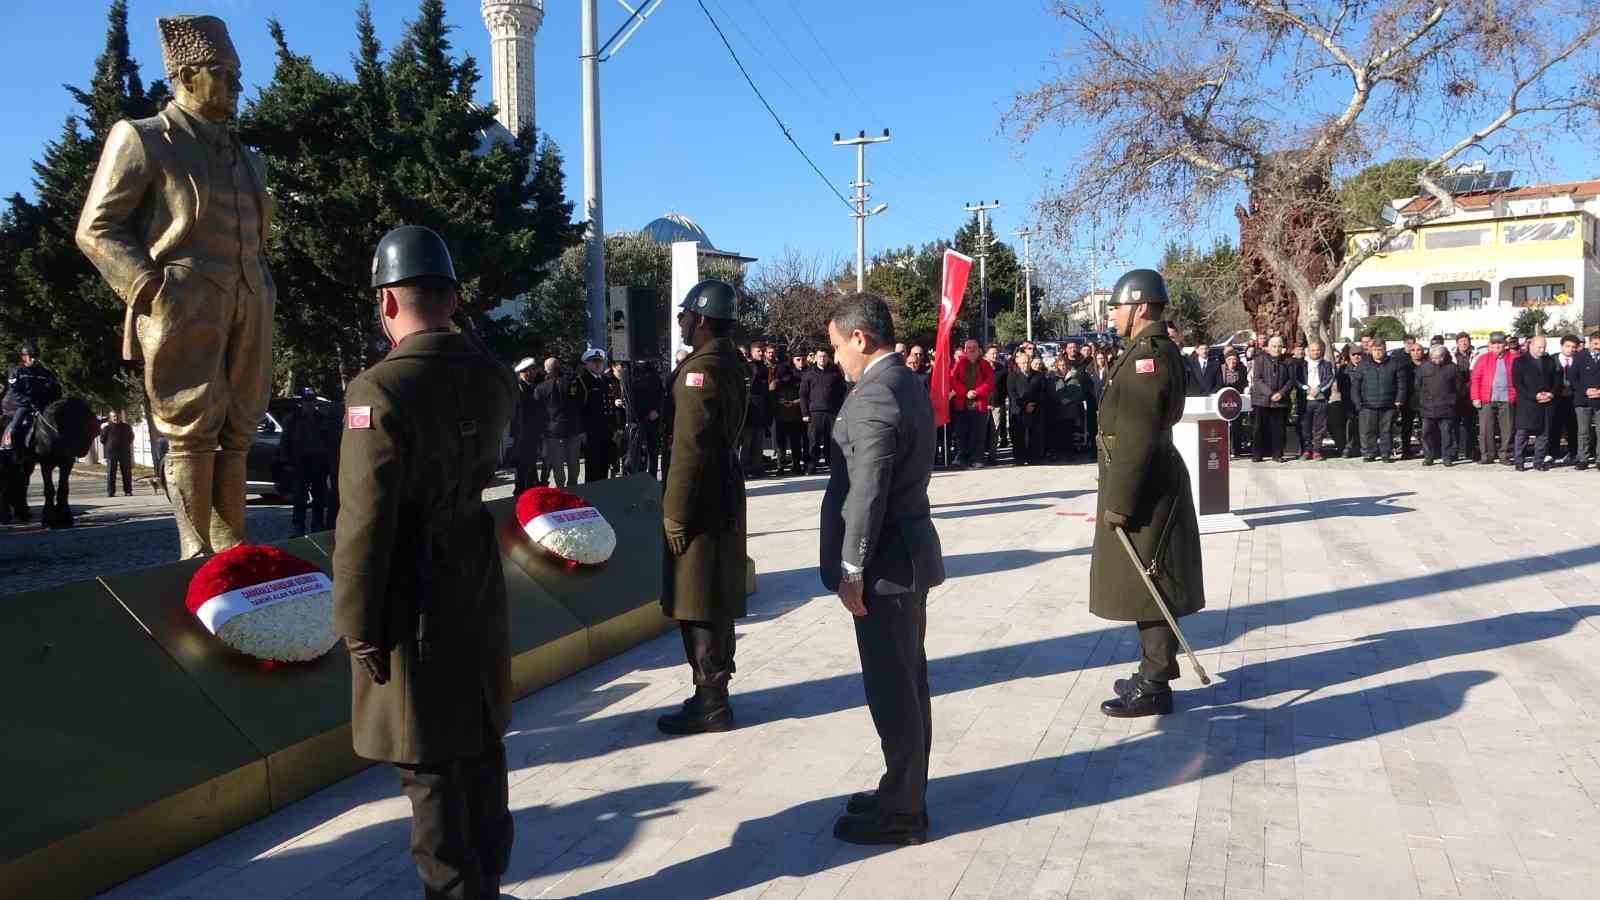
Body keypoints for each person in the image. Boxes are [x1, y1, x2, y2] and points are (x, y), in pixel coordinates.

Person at [333, 226, 517, 900]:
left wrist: (356, 620)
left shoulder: (377, 392)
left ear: (387, 302)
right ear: (453, 298)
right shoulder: (494, 377)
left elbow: (364, 522)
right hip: (475, 580)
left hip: (410, 598)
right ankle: (489, 883)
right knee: (481, 741)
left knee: (430, 762)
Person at [77, 15, 273, 560]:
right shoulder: (142, 138)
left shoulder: (248, 157)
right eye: (225, 72)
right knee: (191, 429)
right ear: (187, 74)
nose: (238, 85)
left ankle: (233, 544)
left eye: (238, 73)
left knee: (239, 428)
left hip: (251, 299)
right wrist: (149, 288)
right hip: (183, 302)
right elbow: (96, 227)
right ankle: (196, 550)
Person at [819, 292, 944, 846]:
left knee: (893, 686)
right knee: (908, 680)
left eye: (837, 346)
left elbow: (867, 489)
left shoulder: (873, 395)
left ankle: (902, 811)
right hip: (904, 555)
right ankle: (903, 787)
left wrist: (852, 567)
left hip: (884, 565)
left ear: (861, 339)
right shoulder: (905, 383)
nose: (837, 358)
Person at [1090, 269, 1203, 718]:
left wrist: (1119, 501)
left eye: (1116, 306)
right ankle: (1152, 671)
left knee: (1151, 577)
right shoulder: (1144, 351)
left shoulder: (1147, 359)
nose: (1112, 314)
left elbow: (1137, 435)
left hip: (1144, 483)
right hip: (1143, 478)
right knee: (1145, 580)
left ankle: (1155, 682)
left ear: (1139, 307)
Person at [658, 280, 749, 735]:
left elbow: (688, 448)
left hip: (700, 501)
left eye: (686, 314)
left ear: (703, 318)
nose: (681, 320)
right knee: (713, 596)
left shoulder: (703, 369)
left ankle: (711, 700)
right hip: (720, 492)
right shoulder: (728, 362)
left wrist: (675, 512)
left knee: (699, 600)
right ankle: (712, 692)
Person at [279, 388, 334, 536]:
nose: (309, 404)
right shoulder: (292, 419)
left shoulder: (322, 418)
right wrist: (285, 461)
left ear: (315, 402)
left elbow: (328, 441)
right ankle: (298, 526)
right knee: (299, 497)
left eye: (311, 400)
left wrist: (329, 461)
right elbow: (285, 441)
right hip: (300, 462)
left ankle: (317, 525)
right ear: (302, 402)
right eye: (306, 400)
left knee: (319, 496)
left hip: (319, 462)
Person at [3, 340, 62, 456]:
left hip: (43, 405)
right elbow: (14, 391)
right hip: (25, 405)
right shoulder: (17, 372)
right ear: (24, 357)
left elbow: (53, 389)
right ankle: (12, 451)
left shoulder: (45, 373)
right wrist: (29, 402)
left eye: (35, 357)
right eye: (31, 357)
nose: (34, 359)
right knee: (14, 428)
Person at [1470, 332, 1518, 465]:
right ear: (1490, 345)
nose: (1497, 346)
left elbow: (1519, 379)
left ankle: (1505, 455)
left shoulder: (1514, 358)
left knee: (1507, 429)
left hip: (1507, 399)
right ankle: (1487, 456)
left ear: (1505, 345)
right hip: (1487, 399)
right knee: (1486, 429)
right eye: (1494, 343)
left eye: (1500, 343)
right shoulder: (1482, 359)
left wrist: (1515, 397)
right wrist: (1475, 397)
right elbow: (1475, 379)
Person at [535, 358, 583, 488]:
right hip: (572, 429)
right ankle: (573, 488)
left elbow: (538, 412)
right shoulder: (573, 383)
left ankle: (561, 490)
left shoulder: (540, 388)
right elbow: (581, 402)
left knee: (558, 465)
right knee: (574, 463)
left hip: (553, 432)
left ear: (548, 370)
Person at [1358, 341, 1409, 462]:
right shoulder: (1364, 365)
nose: (1378, 352)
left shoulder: (1394, 363)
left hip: (1389, 404)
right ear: (1371, 350)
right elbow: (1356, 385)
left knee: (1386, 431)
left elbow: (1401, 384)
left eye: (1380, 349)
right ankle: (1370, 453)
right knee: (1369, 431)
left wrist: (1399, 399)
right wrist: (1357, 402)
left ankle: (1386, 454)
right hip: (1368, 404)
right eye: (1375, 349)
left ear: (1385, 350)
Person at [1512, 335, 1557, 471]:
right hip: (1527, 403)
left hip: (1546, 403)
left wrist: (1551, 393)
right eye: (1539, 347)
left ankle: (1538, 461)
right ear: (1531, 346)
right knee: (1522, 434)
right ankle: (1519, 461)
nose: (1542, 350)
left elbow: (1556, 381)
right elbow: (1517, 384)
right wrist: (1534, 396)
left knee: (1543, 434)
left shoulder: (1549, 362)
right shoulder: (1519, 362)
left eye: (1544, 347)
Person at [800, 348, 847, 475]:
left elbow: (841, 392)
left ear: (828, 358)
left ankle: (831, 464)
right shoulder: (809, 373)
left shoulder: (835, 373)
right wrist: (805, 413)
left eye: (824, 356)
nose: (822, 359)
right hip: (814, 412)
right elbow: (803, 395)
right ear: (815, 358)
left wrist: (840, 410)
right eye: (820, 356)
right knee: (813, 441)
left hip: (831, 412)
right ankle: (811, 465)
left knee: (831, 440)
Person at [947, 339, 993, 469]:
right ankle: (962, 457)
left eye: (974, 347)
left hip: (979, 404)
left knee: (978, 433)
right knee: (962, 433)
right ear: (965, 350)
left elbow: (989, 382)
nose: (971, 350)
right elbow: (952, 380)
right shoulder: (959, 364)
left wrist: (976, 392)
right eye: (968, 348)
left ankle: (977, 458)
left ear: (979, 350)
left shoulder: (985, 365)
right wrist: (965, 392)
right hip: (962, 404)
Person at [1416, 344, 1460, 466]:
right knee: (1426, 434)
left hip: (1446, 408)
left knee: (1447, 434)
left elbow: (1458, 387)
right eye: (1434, 358)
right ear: (1430, 356)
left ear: (1444, 356)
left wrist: (1452, 400)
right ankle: (1428, 457)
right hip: (1427, 407)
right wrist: (1422, 402)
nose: (1437, 360)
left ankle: (1447, 457)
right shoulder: (1423, 368)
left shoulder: (1452, 368)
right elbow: (1418, 386)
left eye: (1440, 357)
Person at [1249, 335, 1292, 463]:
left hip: (1280, 401)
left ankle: (1277, 454)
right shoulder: (1260, 359)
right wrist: (1270, 394)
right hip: (1262, 400)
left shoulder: (1287, 361)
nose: (1276, 348)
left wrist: (1281, 393)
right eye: (1274, 346)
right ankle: (1257, 454)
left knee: (1278, 429)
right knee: (1258, 429)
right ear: (1268, 347)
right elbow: (1257, 379)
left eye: (1279, 346)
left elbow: (1290, 380)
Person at [622, 359, 665, 478]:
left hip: (653, 419)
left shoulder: (653, 371)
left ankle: (652, 478)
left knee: (653, 452)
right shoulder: (629, 371)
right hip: (637, 420)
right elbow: (629, 398)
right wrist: (637, 418)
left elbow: (661, 394)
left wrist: (657, 410)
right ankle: (636, 480)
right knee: (636, 455)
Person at [510, 357, 546, 492]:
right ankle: (520, 490)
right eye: (532, 370)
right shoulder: (518, 388)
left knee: (531, 461)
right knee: (522, 463)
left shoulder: (534, 385)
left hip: (533, 431)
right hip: (522, 432)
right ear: (523, 372)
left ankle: (531, 486)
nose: (535, 372)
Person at [576, 349, 612, 482]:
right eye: (594, 362)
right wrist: (582, 431)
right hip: (591, 432)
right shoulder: (582, 381)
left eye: (600, 362)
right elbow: (578, 409)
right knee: (593, 466)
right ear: (587, 364)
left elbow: (608, 406)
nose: (598, 365)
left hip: (605, 430)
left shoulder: (603, 380)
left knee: (604, 465)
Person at [1007, 348, 1045, 466]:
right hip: (1019, 411)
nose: (1026, 365)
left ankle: (1034, 458)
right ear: (1018, 363)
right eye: (1023, 363)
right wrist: (1024, 406)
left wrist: (1034, 404)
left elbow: (1042, 392)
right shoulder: (1012, 376)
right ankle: (1019, 458)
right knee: (1018, 435)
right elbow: (1012, 394)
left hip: (1035, 409)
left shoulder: (1038, 375)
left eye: (1028, 362)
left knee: (1035, 435)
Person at [772, 352, 807, 475]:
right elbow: (772, 395)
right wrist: (782, 401)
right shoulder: (778, 383)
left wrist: (793, 402)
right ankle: (785, 466)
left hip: (792, 415)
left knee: (791, 443)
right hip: (784, 415)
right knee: (786, 443)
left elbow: (802, 395)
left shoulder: (796, 380)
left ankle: (790, 466)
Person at [740, 340, 771, 478]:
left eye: (762, 351)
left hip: (761, 410)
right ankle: (744, 468)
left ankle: (757, 467)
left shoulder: (764, 367)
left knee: (758, 442)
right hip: (750, 409)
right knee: (747, 442)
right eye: (759, 351)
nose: (762, 353)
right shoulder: (749, 367)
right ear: (752, 352)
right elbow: (748, 387)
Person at [1299, 341, 1335, 460]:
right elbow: (1296, 379)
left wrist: (1319, 389)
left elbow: (1330, 379)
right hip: (1306, 400)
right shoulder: (1302, 364)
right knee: (1305, 427)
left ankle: (1317, 451)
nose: (1315, 352)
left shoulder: (1326, 364)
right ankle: (1307, 450)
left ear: (1321, 351)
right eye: (1313, 350)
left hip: (1320, 400)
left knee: (1319, 427)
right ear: (1308, 351)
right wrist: (1306, 388)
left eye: (1317, 350)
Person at [1551, 335, 1581, 464]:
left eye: (1574, 347)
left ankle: (1573, 452)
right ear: (1562, 346)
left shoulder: (1579, 360)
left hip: (1573, 398)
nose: (1571, 349)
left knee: (1573, 427)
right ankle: (1552, 453)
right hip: (1556, 398)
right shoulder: (1552, 360)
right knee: (1554, 426)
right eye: (1568, 346)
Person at [1575, 332, 1600, 470]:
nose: (1598, 347)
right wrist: (1585, 391)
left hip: (1599, 399)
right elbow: (1573, 377)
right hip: (1583, 400)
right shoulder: (1580, 357)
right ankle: (1582, 459)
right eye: (1596, 344)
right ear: (1590, 343)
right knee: (1583, 431)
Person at [1452, 333, 1479, 460]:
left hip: (1470, 394)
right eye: (1461, 341)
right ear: (1457, 343)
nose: (1463, 343)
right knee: (1454, 424)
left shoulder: (1476, 355)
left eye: (1466, 341)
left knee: (1471, 425)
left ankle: (1471, 451)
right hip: (1455, 395)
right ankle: (1454, 451)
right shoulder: (1451, 355)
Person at [1219, 348, 1249, 458]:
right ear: (1226, 359)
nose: (1232, 361)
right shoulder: (1221, 369)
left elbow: (1244, 383)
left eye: (1234, 359)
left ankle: (1236, 449)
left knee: (1237, 426)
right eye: (1230, 359)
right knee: (1224, 426)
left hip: (1237, 400)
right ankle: (1224, 449)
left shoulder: (1242, 369)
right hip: (1223, 401)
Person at [100, 410, 135, 496]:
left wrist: (124, 444)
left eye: (117, 416)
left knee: (126, 472)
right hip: (112, 453)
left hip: (124, 452)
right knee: (111, 472)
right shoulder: (106, 428)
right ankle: (111, 492)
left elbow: (131, 437)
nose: (116, 418)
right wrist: (110, 445)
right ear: (111, 418)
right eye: (114, 416)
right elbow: (102, 439)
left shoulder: (127, 427)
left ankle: (128, 491)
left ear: (120, 417)